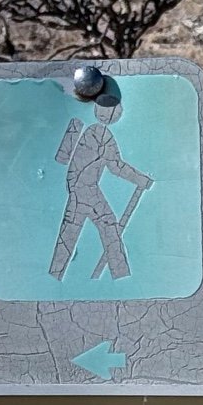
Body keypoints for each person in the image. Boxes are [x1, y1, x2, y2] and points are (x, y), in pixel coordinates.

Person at [49, 93, 152, 281]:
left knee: (70, 234)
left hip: (78, 189)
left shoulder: (89, 130)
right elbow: (116, 167)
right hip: (86, 190)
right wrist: (140, 180)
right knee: (108, 227)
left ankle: (55, 276)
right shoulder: (101, 135)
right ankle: (121, 277)